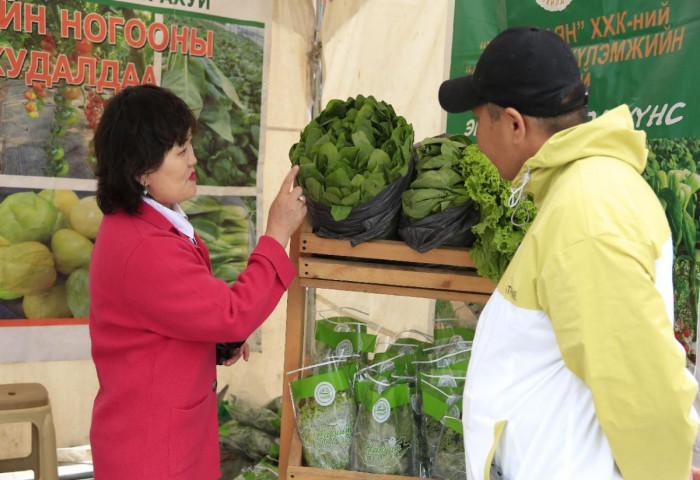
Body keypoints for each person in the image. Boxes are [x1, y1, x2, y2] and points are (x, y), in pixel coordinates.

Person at [438, 26, 699, 480]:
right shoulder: (579, 192)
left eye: (479, 121)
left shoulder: (589, 212)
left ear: (515, 124)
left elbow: (646, 397)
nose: (476, 138)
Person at [88, 84, 307, 479]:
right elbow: (232, 313)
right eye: (180, 150)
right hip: (152, 455)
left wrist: (214, 342)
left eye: (189, 144)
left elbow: (172, 315)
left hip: (162, 438)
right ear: (140, 170)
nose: (193, 158)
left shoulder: (147, 221)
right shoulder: (144, 246)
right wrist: (276, 234)